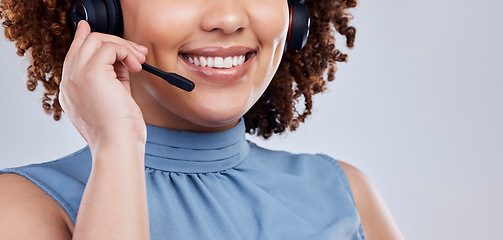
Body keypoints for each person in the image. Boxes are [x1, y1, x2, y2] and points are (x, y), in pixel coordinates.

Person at [0, 0, 403, 239]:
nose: (227, 18)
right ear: (104, 12)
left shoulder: (344, 192)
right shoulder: (22, 207)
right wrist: (117, 147)